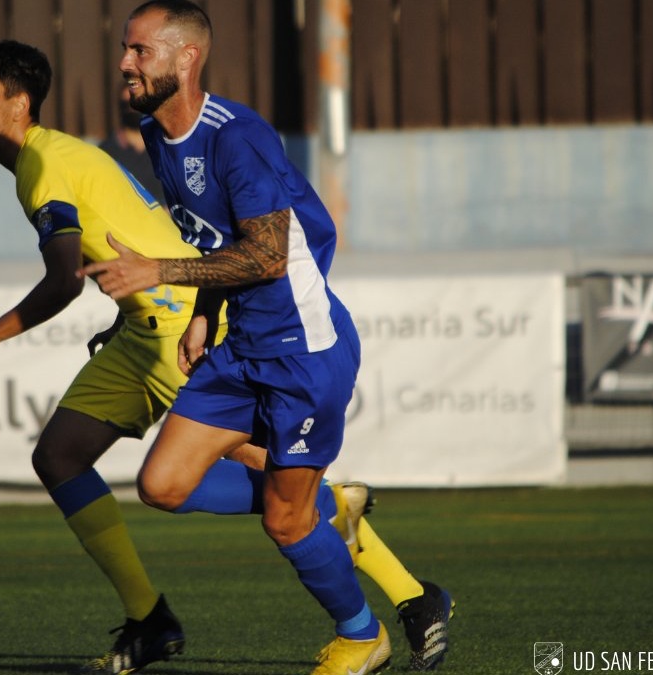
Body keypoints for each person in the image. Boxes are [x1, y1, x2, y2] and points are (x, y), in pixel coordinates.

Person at [0, 40, 447, 674]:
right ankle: (151, 618)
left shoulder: (44, 163)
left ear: (20, 102)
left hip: (174, 325)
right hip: (147, 322)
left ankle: (403, 597)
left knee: (268, 479)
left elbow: (65, 278)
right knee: (62, 456)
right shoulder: (49, 158)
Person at [79, 2, 452, 673]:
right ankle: (328, 503)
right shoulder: (157, 134)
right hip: (241, 347)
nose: (125, 64)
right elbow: (219, 240)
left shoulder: (238, 136)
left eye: (139, 51)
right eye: (126, 51)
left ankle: (362, 634)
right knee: (163, 484)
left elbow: (268, 257)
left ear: (185, 58)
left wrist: (155, 271)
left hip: (303, 353)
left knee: (284, 521)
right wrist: (202, 314)